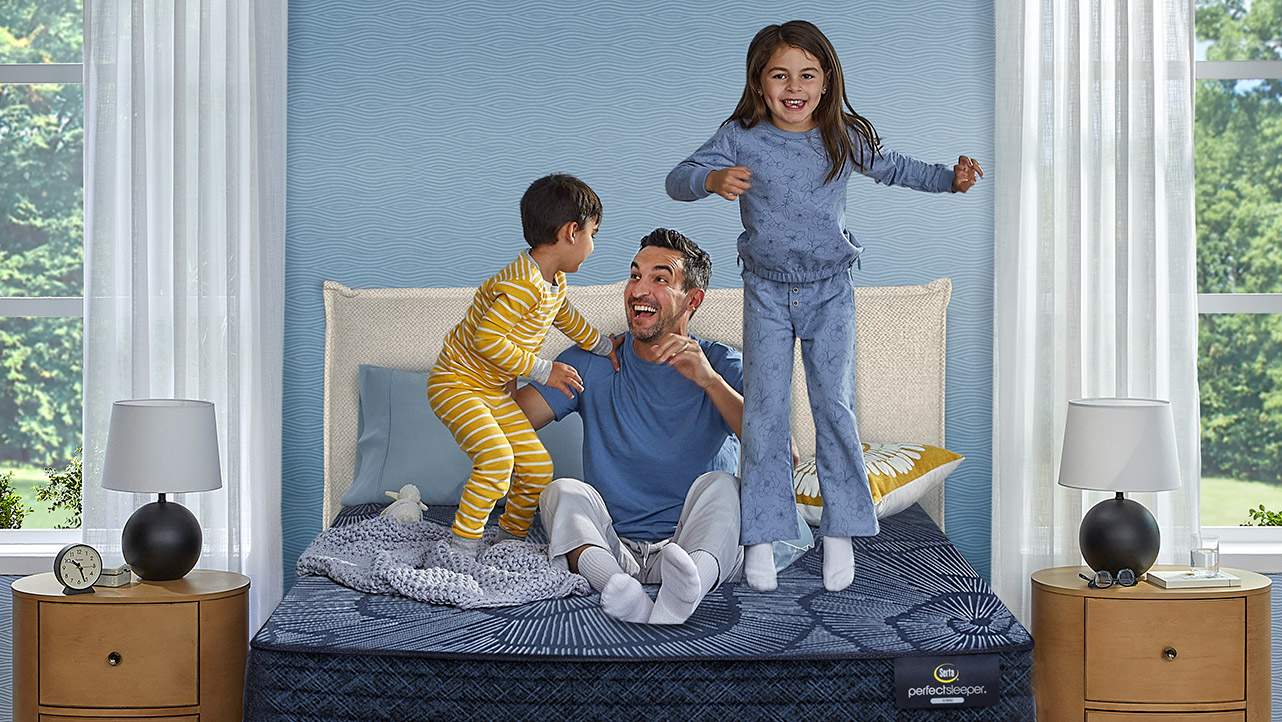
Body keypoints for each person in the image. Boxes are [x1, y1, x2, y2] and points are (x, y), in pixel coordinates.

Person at [665, 20, 983, 593]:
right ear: (760, 83)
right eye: (780, 75)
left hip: (831, 289)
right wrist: (711, 179)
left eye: (807, 75)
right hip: (765, 290)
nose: (794, 86)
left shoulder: (840, 134)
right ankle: (760, 538)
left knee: (834, 408)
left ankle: (840, 533)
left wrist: (950, 181)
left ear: (825, 80)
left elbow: (895, 168)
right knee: (763, 412)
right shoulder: (740, 136)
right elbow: (676, 179)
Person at [514, 228, 747, 625]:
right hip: (613, 547)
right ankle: (617, 588)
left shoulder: (723, 364)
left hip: (692, 547)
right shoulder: (593, 361)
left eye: (660, 279)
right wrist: (508, 343)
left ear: (693, 300)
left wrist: (709, 380)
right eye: (635, 275)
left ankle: (688, 591)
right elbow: (506, 421)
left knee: (724, 487)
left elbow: (783, 453)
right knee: (561, 491)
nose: (640, 289)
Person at [428, 174, 620, 558]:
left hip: (495, 391)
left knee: (535, 465)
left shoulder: (554, 281)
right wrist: (544, 370)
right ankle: (460, 548)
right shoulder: (520, 284)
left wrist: (602, 345)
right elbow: (486, 339)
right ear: (571, 232)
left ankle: (509, 543)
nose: (592, 245)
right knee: (497, 459)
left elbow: (565, 316)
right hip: (457, 384)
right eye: (593, 234)